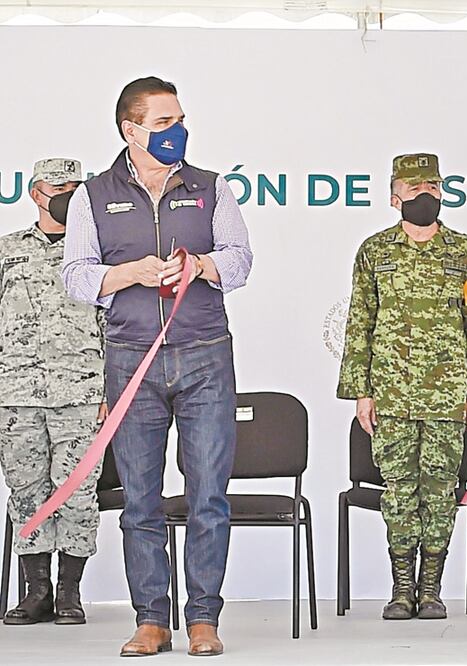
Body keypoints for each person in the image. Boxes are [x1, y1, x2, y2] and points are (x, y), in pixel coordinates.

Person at [62, 76, 253, 657]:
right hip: (131, 361)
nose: (177, 131)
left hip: (204, 357)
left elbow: (241, 261)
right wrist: (132, 274)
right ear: (131, 129)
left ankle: (203, 620)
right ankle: (151, 619)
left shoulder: (212, 187)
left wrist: (200, 265)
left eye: (179, 120)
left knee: (208, 497)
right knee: (140, 500)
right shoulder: (92, 195)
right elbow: (76, 277)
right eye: (164, 122)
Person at [337, 153, 467, 621]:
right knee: (399, 492)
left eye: (433, 186)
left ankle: (431, 588)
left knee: (440, 492)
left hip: (447, 394)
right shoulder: (375, 252)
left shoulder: (463, 251)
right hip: (390, 395)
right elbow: (359, 322)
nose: (425, 195)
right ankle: (401, 587)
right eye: (414, 189)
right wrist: (360, 392)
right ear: (395, 198)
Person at [1, 158, 105, 626]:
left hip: (82, 391)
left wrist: (112, 389)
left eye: (75, 187)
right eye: (57, 187)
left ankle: (69, 592)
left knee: (77, 492)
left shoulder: (101, 254)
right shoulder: (7, 252)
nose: (66, 195)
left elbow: (116, 325)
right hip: (16, 393)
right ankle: (36, 590)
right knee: (27, 491)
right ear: (36, 193)